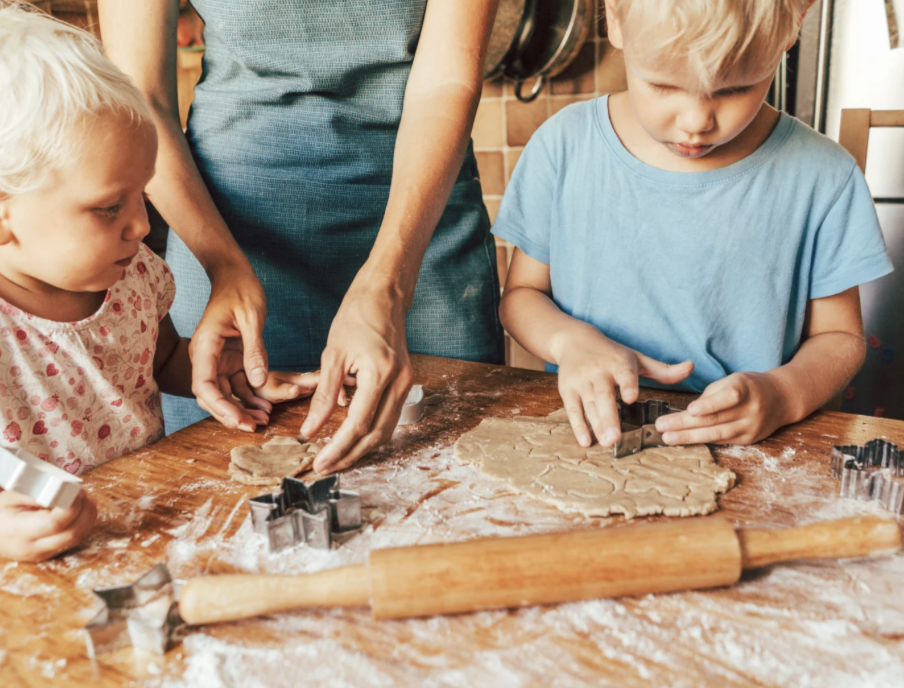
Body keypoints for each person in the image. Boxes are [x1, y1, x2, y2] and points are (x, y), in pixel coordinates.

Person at [98, 0, 505, 476]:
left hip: (421, 224)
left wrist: (390, 283)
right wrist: (224, 267)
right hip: (222, 231)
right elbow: (140, 95)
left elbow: (448, 79)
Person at [494, 0, 892, 449]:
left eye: (735, 88)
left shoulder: (825, 177)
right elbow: (522, 297)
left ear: (793, 27)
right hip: (592, 439)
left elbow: (839, 338)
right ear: (617, 20)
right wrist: (569, 342)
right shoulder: (562, 147)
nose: (696, 122)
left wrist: (783, 394)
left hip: (752, 449)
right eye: (663, 85)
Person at [0, 6, 315, 562]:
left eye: (142, 194)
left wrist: (211, 367)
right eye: (108, 207)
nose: (143, 224)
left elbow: (157, 355)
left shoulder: (133, 274)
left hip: (140, 530)